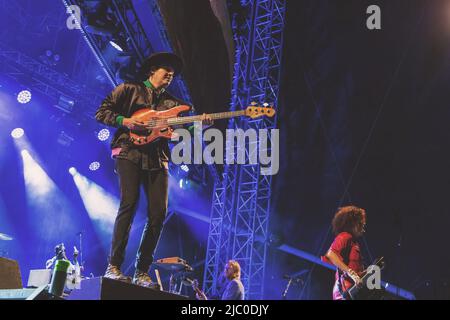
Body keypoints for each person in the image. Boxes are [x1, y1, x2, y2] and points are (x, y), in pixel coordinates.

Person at [95, 52, 212, 287]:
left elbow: (180, 133)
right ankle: (114, 266)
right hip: (128, 151)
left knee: (158, 213)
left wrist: (198, 127)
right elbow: (101, 112)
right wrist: (125, 121)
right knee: (129, 203)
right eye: (165, 69)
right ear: (152, 70)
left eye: (173, 72)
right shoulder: (129, 89)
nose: (170, 74)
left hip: (157, 158)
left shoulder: (173, 103)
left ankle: (142, 272)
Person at [323, 206, 366, 300]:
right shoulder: (345, 236)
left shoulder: (354, 242)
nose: (363, 228)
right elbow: (331, 254)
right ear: (353, 223)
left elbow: (353, 266)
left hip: (352, 290)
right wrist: (352, 274)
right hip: (344, 290)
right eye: (361, 224)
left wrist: (366, 273)